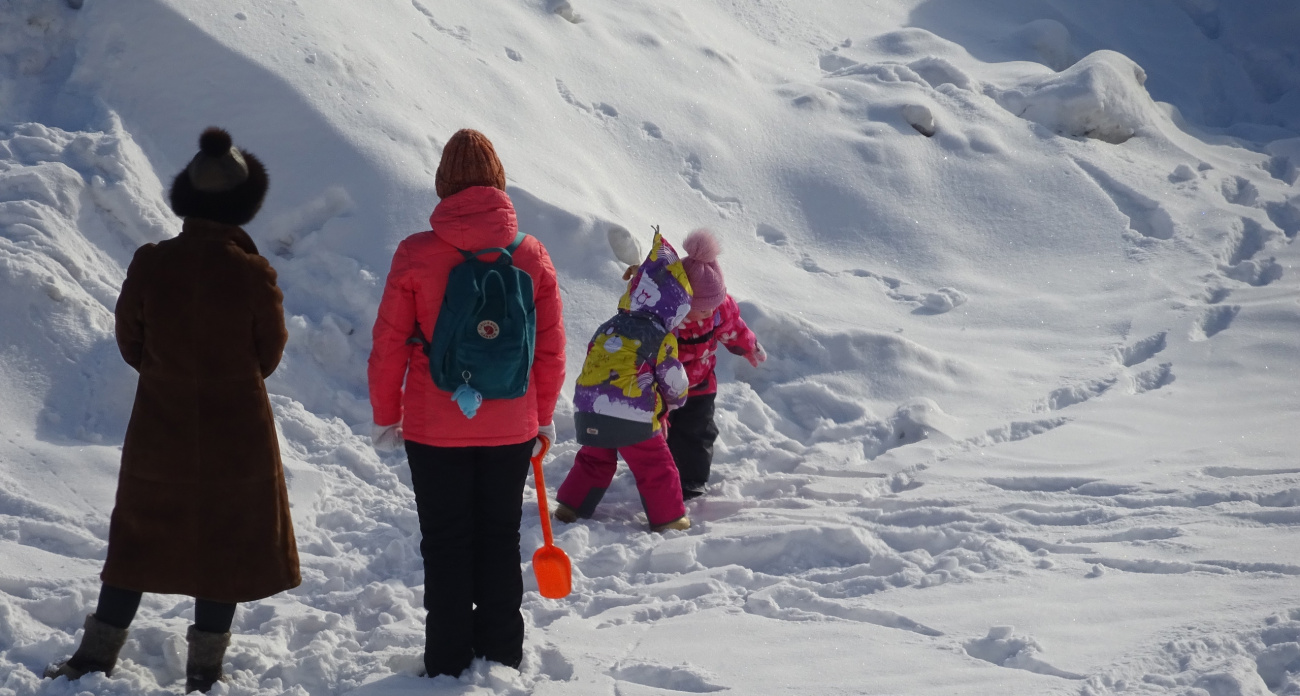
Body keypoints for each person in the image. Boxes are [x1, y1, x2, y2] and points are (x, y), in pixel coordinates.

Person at [45, 128, 300, 694]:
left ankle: (94, 658)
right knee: (225, 541)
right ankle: (204, 672)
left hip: (160, 425)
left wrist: (169, 376)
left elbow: (130, 342)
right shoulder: (252, 273)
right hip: (238, 432)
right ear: (243, 203)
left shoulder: (152, 263)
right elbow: (269, 353)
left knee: (137, 538)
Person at [367, 129, 565, 678]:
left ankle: (448, 658)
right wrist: (541, 414)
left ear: (443, 186)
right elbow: (548, 346)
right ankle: (502, 651)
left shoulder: (416, 253)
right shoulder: (531, 253)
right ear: (498, 183)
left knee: (447, 539)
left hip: (435, 427)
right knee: (500, 536)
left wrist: (387, 414)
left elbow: (388, 344)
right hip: (511, 426)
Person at [553, 230, 693, 532]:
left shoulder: (609, 326)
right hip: (633, 415)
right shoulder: (661, 336)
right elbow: (672, 378)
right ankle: (669, 519)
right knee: (655, 467)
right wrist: (678, 399)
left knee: (594, 460)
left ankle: (570, 507)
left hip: (589, 408)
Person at [670, 229, 765, 499]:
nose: (708, 312)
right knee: (663, 432)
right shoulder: (668, 317)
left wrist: (749, 347)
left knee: (698, 432)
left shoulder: (719, 310)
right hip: (663, 388)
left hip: (700, 385)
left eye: (713, 305)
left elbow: (733, 328)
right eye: (701, 308)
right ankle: (659, 473)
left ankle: (691, 481)